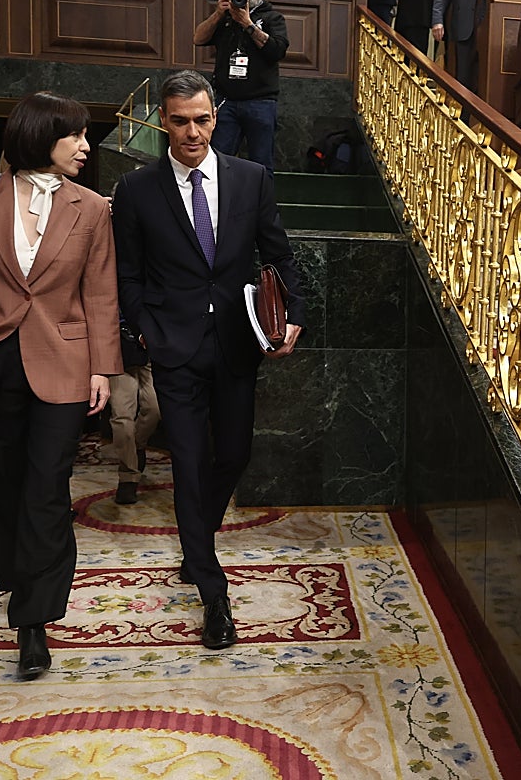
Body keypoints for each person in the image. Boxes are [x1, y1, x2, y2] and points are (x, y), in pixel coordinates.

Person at [0, 91, 122, 680]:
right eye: (77, 135)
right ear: (42, 134)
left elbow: (100, 292)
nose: (88, 146)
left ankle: (34, 620)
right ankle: (17, 580)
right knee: (0, 481)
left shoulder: (93, 208)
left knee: (46, 485)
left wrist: (101, 367)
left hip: (63, 362)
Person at [113, 70, 305, 651]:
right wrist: (144, 329)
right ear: (162, 122)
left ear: (215, 118)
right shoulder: (137, 190)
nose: (191, 132)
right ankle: (212, 591)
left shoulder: (252, 179)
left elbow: (278, 254)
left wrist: (292, 314)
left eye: (201, 120)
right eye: (179, 121)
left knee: (234, 454)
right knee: (191, 464)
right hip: (173, 349)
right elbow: (128, 274)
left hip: (237, 345)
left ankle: (196, 537)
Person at [194, 0, 289, 179]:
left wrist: (247, 23)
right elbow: (198, 38)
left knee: (262, 165)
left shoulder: (273, 18)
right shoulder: (225, 17)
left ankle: (261, 211)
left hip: (261, 102)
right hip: (226, 101)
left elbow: (277, 50)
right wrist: (219, 13)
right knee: (217, 162)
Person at [430, 0, 504, 93]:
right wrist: (437, 21)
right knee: (463, 78)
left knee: (487, 77)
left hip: (491, 29)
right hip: (464, 28)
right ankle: (462, 115)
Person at [107, 318, 160, 506]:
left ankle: (137, 447)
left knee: (155, 407)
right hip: (118, 351)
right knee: (122, 419)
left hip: (150, 347)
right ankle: (128, 477)